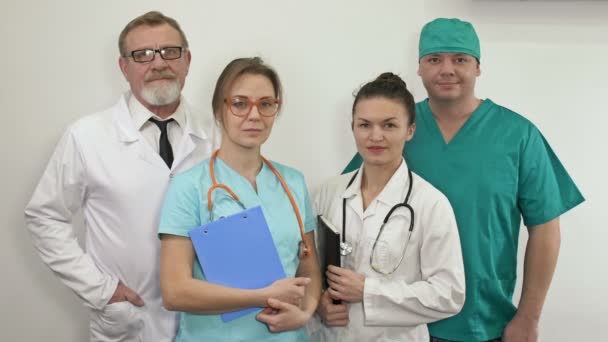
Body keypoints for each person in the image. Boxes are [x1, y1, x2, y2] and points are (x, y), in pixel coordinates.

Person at [344, 18, 585, 342]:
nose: (446, 69)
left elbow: (545, 229)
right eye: (434, 59)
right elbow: (347, 215)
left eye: (459, 59)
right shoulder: (393, 126)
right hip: (398, 322)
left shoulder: (517, 135)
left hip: (484, 323)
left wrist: (528, 316)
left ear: (478, 67)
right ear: (419, 68)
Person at [24, 11, 219, 342]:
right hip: (129, 321)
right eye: (142, 55)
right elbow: (44, 216)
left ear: (187, 60)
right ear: (123, 67)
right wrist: (101, 291)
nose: (158, 64)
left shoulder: (216, 135)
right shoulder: (86, 136)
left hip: (207, 319)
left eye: (169, 51)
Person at [158, 57, 321, 341]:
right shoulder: (188, 186)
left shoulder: (292, 182)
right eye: (240, 103)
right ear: (219, 109)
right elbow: (175, 291)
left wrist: (305, 312)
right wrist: (263, 296)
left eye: (266, 104)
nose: (254, 115)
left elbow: (309, 267)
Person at [310, 73, 465, 341]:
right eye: (365, 125)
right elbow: (309, 268)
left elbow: (448, 295)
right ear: (353, 127)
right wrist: (318, 305)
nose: (375, 136)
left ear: (410, 130)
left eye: (389, 125)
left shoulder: (430, 203)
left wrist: (368, 292)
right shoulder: (328, 192)